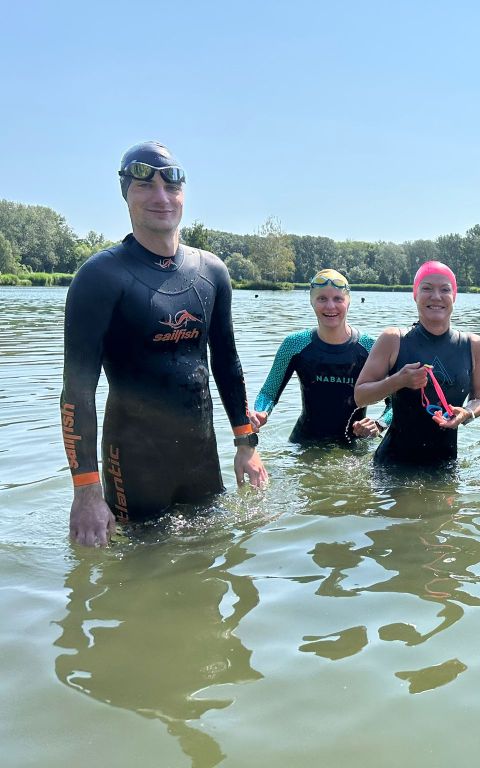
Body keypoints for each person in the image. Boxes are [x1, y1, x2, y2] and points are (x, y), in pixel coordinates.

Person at [60, 141, 267, 546]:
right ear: (125, 192)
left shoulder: (211, 272)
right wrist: (86, 492)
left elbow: (227, 364)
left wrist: (247, 445)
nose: (161, 197)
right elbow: (77, 392)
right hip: (133, 464)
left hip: (202, 458)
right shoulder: (100, 276)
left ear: (183, 194)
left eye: (171, 186)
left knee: (211, 559)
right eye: (145, 185)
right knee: (136, 569)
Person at [354, 261, 480, 466]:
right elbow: (360, 396)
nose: (436, 296)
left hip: (445, 465)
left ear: (454, 296)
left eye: (445, 289)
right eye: (427, 288)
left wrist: (467, 413)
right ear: (415, 294)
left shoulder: (473, 345)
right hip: (392, 466)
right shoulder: (393, 339)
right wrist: (398, 381)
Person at [249, 269, 390, 443]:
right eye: (322, 298)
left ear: (348, 302)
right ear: (312, 302)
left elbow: (396, 401)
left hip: (354, 447)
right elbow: (268, 393)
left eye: (338, 299)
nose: (330, 306)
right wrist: (260, 412)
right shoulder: (293, 344)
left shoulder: (370, 347)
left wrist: (379, 424)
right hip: (304, 444)